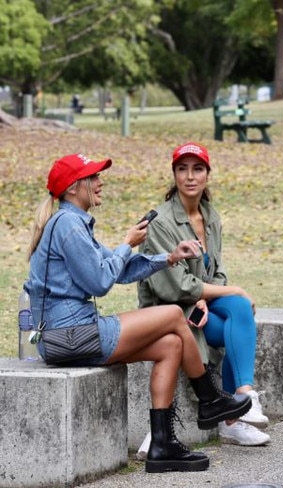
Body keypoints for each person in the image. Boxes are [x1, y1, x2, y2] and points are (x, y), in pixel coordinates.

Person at [24, 153, 252, 474]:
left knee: (171, 344)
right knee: (173, 314)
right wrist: (126, 243)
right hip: (71, 336)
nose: (100, 183)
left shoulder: (73, 223)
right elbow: (101, 281)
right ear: (74, 188)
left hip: (73, 334)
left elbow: (121, 270)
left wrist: (170, 257)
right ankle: (210, 400)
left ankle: (162, 446)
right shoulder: (68, 226)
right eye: (93, 178)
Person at [137, 142, 269, 450]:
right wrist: (214, 292)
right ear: (174, 175)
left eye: (197, 169)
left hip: (202, 302)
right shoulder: (161, 222)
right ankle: (234, 418)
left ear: (207, 174)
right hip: (169, 309)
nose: (190, 176)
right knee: (235, 312)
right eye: (182, 169)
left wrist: (210, 293)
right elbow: (172, 286)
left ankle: (244, 398)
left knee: (238, 308)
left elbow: (218, 270)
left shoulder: (211, 216)